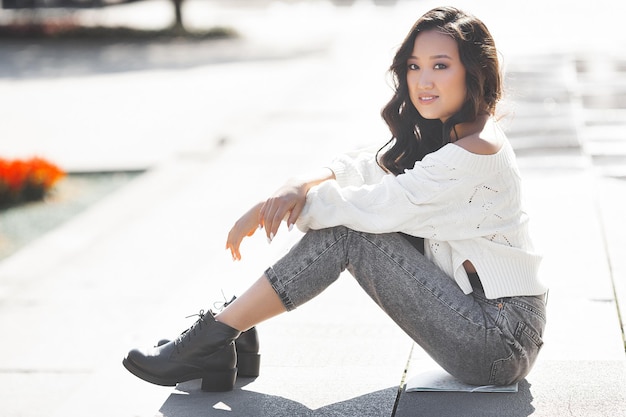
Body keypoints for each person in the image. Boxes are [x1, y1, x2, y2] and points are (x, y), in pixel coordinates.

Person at [123, 6, 548, 392]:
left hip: (500, 341)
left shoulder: (473, 152)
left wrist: (292, 207)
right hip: (497, 327)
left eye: (441, 65)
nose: (423, 80)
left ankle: (215, 336)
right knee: (350, 225)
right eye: (415, 66)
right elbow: (369, 163)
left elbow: (373, 206)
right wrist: (296, 183)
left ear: (474, 73)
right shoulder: (459, 131)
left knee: (349, 233)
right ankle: (227, 332)